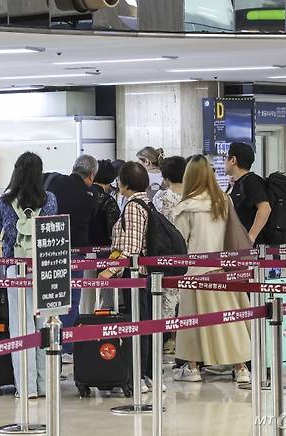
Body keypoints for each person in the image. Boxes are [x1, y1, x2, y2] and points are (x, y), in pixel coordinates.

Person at [171, 155, 251, 384]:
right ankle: (241, 367)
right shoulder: (224, 201)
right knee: (231, 321)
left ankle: (193, 368)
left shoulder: (186, 207)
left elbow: (180, 243)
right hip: (224, 270)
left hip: (196, 272)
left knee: (191, 322)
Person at [0, 152, 58, 399]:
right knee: (46, 328)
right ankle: (46, 385)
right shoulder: (50, 199)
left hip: (16, 269)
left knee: (21, 330)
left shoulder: (4, 201)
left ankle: (27, 388)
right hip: (46, 268)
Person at [98, 161, 161, 394]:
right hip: (145, 277)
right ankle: (149, 374)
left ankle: (140, 375)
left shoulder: (134, 206)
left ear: (124, 183)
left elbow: (131, 248)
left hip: (136, 277)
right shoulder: (147, 202)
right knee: (146, 324)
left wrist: (109, 270)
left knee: (139, 325)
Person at [46, 155, 99, 357]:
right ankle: (67, 346)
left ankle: (51, 343)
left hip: (51, 251)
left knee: (52, 299)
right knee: (72, 300)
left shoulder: (55, 182)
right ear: (91, 175)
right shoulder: (91, 196)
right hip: (76, 253)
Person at [151, 156, 186, 354]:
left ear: (165, 177)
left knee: (169, 296)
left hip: (168, 252)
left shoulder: (162, 198)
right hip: (192, 250)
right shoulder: (193, 196)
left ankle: (170, 338)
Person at [82, 160, 121, 313]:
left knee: (84, 299)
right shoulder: (107, 200)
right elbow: (115, 231)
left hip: (81, 253)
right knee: (102, 299)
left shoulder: (82, 195)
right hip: (103, 255)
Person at [225, 142, 272, 244]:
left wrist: (251, 236)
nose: (224, 161)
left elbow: (265, 208)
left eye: (226, 157)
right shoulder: (240, 182)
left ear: (233, 160)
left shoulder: (251, 181)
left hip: (253, 248)